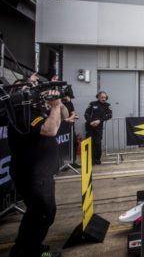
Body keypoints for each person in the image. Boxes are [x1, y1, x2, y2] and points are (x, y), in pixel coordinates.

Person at [8, 82, 68, 257]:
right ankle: (27, 251)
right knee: (43, 213)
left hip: (39, 173)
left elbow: (63, 116)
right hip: (33, 174)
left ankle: (28, 248)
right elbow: (50, 130)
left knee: (36, 213)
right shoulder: (24, 114)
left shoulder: (36, 111)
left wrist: (58, 103)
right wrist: (55, 106)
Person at [84, 91, 112, 165]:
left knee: (97, 143)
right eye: (102, 97)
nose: (103, 99)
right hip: (90, 126)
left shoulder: (107, 105)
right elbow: (86, 114)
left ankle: (97, 159)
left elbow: (109, 115)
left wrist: (99, 121)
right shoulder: (92, 103)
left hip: (99, 127)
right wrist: (90, 122)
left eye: (105, 97)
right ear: (98, 97)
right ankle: (91, 160)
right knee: (90, 143)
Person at [62, 96, 79, 166]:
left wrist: (69, 119)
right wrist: (67, 119)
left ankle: (73, 162)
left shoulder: (69, 103)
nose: (68, 98)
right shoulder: (58, 103)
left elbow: (74, 113)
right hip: (62, 128)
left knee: (74, 143)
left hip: (70, 127)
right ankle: (63, 164)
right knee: (64, 145)